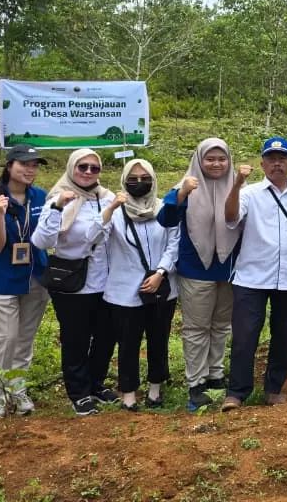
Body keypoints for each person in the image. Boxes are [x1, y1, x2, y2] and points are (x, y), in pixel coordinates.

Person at [221, 137, 287, 410]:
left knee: (282, 335)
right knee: (245, 336)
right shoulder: (249, 193)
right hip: (252, 277)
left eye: (282, 158)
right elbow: (230, 218)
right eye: (271, 158)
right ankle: (237, 392)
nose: (277, 163)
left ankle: (274, 389)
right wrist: (237, 184)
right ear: (263, 163)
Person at [31, 148, 118, 416]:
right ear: (72, 168)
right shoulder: (58, 197)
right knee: (76, 339)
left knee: (105, 337)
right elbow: (42, 241)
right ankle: (79, 392)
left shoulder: (108, 197)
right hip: (73, 282)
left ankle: (96, 383)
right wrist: (58, 207)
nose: (89, 172)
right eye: (83, 167)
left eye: (94, 168)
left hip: (105, 280)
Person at [159, 138, 242, 411]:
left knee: (221, 326)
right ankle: (196, 383)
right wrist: (182, 193)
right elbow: (166, 219)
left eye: (222, 158)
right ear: (199, 160)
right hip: (196, 269)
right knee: (196, 328)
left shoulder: (239, 187)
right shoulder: (186, 185)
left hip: (228, 268)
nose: (216, 164)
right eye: (210, 159)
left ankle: (216, 375)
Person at [0, 144, 52, 418]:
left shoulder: (41, 197)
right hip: (2, 280)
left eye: (35, 165)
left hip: (35, 277)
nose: (30, 170)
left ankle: (17, 389)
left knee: (24, 339)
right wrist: (0, 214)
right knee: (5, 340)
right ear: (10, 166)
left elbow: (50, 232)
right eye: (24, 164)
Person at [100, 159, 179, 411]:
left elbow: (173, 242)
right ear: (124, 181)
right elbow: (96, 235)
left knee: (159, 340)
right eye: (132, 178)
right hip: (124, 290)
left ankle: (155, 390)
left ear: (153, 180)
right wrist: (111, 207)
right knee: (128, 344)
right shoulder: (115, 211)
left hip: (161, 288)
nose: (139, 183)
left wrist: (161, 273)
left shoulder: (165, 209)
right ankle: (129, 394)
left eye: (145, 177)